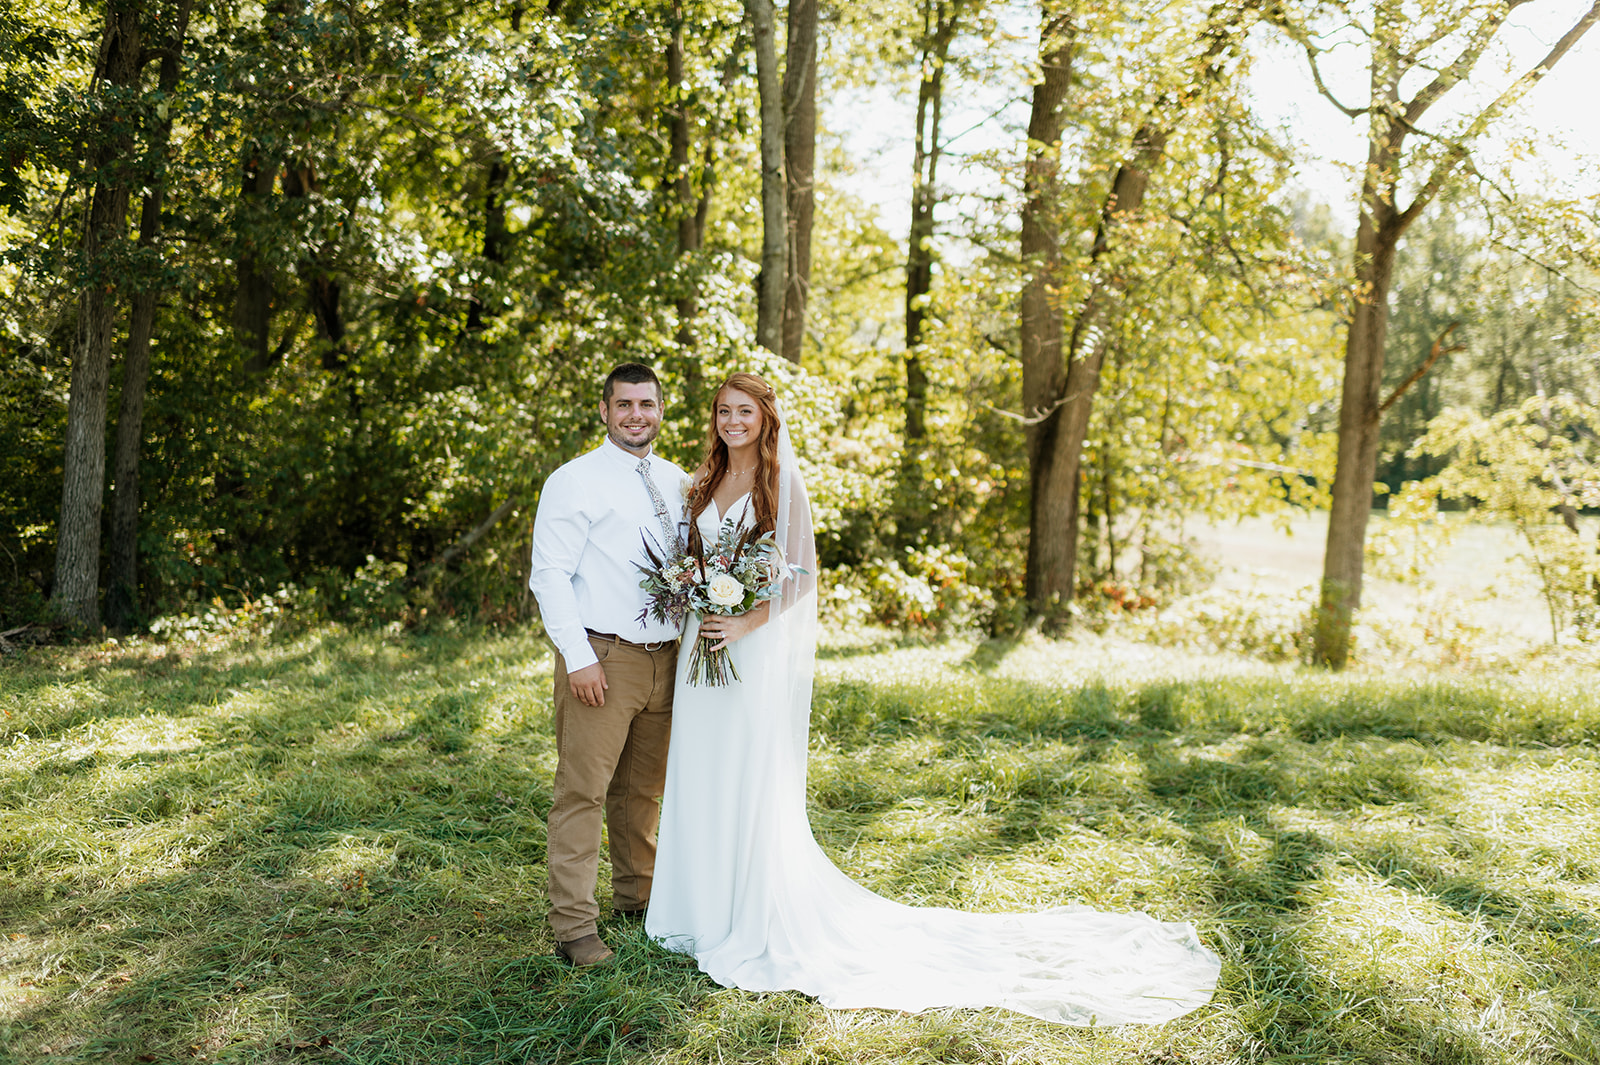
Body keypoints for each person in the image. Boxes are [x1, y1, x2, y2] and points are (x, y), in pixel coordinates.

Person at [645, 371, 1222, 1026]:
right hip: (701, 648)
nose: (732, 421)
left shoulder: (782, 482)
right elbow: (692, 558)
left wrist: (742, 622)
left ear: (765, 417)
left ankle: (740, 911)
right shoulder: (704, 480)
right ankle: (695, 908)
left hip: (745, 650)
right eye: (723, 411)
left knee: (742, 775)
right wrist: (697, 592)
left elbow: (801, 579)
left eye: (744, 410)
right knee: (700, 770)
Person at [528, 362, 688, 968]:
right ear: (604, 410)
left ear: (660, 410)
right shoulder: (574, 481)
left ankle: (638, 898)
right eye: (624, 405)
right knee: (583, 794)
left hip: (666, 660)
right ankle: (573, 927)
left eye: (645, 404)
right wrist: (578, 658)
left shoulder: (679, 482)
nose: (635, 415)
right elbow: (550, 576)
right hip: (603, 658)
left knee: (642, 791)